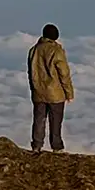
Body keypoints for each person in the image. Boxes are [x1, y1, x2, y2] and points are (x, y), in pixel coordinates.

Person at [27, 23, 73, 152]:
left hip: (38, 91)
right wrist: (69, 93)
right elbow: (64, 73)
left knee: (39, 119)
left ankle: (36, 145)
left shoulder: (34, 50)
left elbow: (31, 72)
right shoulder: (57, 51)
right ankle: (56, 146)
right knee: (56, 121)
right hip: (55, 93)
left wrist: (33, 88)